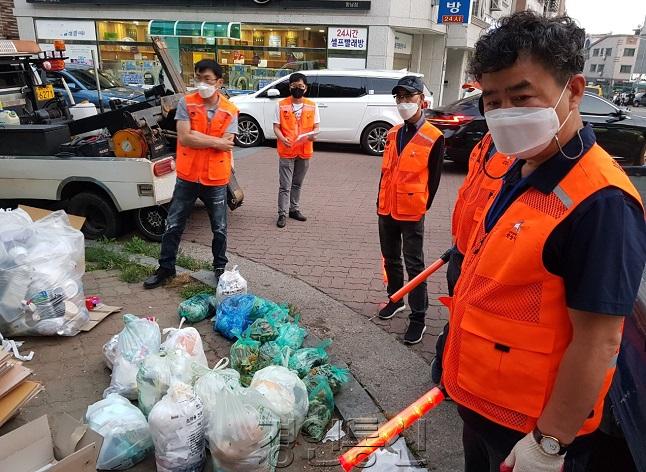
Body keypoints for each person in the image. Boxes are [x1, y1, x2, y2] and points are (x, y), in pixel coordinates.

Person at [440, 12, 646, 472]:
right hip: (483, 407)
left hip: (531, 431)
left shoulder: (602, 203)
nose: (504, 113)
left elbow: (599, 340)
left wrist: (549, 443)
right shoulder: (523, 166)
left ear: (572, 91)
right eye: (491, 100)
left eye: (521, 96)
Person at [144, 59, 239, 289]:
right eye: (198, 78)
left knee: (219, 228)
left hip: (215, 178)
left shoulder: (230, 110)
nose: (202, 84)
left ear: (219, 82)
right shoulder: (187, 103)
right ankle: (166, 268)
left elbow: (228, 142)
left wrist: (204, 140)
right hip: (188, 177)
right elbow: (185, 137)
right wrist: (216, 142)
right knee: (173, 224)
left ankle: (219, 268)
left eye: (207, 79)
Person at [430, 128, 512, 384]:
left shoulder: (521, 152)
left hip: (485, 258)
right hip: (463, 248)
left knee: (470, 319)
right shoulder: (486, 141)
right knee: (456, 309)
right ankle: (447, 364)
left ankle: (454, 372)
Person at [377, 75, 445, 345]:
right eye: (400, 98)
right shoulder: (393, 133)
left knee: (415, 264)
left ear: (422, 101)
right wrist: (380, 202)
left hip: (412, 210)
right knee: (390, 258)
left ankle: (419, 317)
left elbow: (435, 180)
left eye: (409, 97)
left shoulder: (434, 137)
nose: (404, 103)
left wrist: (419, 205)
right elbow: (386, 172)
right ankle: (396, 299)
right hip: (386, 208)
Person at [273, 72, 320, 228]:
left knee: (297, 184)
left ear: (305, 88)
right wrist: (282, 138)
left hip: (304, 150)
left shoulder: (312, 105)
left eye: (300, 86)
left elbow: (316, 127)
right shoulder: (280, 104)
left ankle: (294, 209)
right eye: (294, 86)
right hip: (286, 150)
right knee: (285, 185)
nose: (297, 89)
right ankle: (282, 214)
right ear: (289, 87)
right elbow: (276, 127)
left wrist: (314, 136)